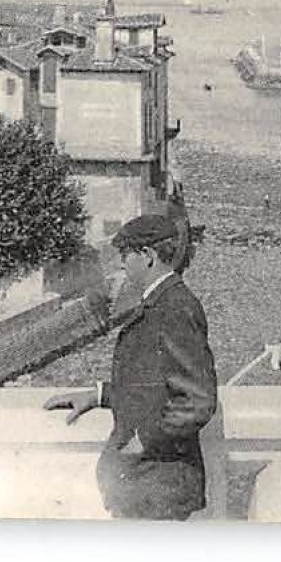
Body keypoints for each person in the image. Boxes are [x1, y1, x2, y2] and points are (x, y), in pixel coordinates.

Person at [43, 213, 218, 520]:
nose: (122, 264)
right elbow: (152, 385)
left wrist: (144, 441)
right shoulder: (164, 302)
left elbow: (197, 400)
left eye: (126, 255)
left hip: (157, 484)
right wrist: (98, 395)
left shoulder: (174, 308)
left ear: (148, 256)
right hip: (150, 484)